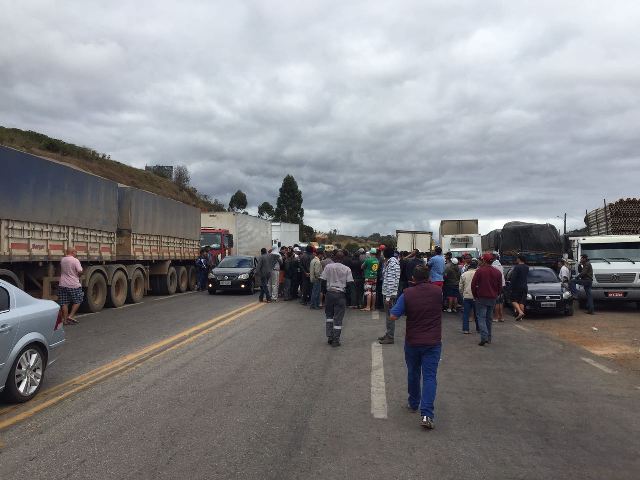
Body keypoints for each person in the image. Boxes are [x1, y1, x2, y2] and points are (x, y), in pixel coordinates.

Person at [389, 266, 442, 430]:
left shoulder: (407, 294)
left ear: (413, 278)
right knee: (429, 377)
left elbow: (393, 315)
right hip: (433, 342)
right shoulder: (438, 292)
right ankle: (427, 414)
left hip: (413, 341)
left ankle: (413, 402)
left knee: (413, 373)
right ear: (428, 277)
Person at [320, 250, 354, 347]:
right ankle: (336, 340)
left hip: (330, 294)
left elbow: (323, 280)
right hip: (341, 295)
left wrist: (325, 293)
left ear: (334, 257)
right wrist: (347, 298)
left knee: (329, 317)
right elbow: (350, 284)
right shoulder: (347, 269)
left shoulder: (328, 267)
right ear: (343, 259)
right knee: (338, 319)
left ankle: (329, 336)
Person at [471, 253, 503, 346]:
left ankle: (484, 337)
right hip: (492, 298)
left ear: (484, 260)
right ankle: (489, 338)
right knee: (489, 318)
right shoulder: (497, 272)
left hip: (481, 298)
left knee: (481, 317)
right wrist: (496, 294)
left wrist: (475, 295)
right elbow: (500, 287)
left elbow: (473, 285)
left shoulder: (480, 271)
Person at [378, 246, 401, 344]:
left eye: (383, 252)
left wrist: (388, 297)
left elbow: (391, 281)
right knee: (388, 316)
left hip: (389, 294)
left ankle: (390, 337)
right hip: (389, 292)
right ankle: (388, 334)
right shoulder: (391, 262)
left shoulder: (391, 264)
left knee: (390, 316)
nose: (382, 254)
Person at [58, 248, 84, 325]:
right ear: (73, 252)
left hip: (62, 284)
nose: (76, 253)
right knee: (78, 300)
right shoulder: (75, 260)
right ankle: (71, 316)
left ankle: (65, 320)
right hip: (73, 284)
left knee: (64, 303)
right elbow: (80, 271)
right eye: (76, 252)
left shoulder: (63, 260)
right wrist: (79, 275)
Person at [459, 258, 478, 334]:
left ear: (468, 267)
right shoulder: (478, 273)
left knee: (466, 314)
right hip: (476, 297)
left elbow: (460, 287)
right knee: (477, 314)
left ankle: (466, 329)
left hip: (466, 296)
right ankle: (478, 329)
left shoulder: (464, 274)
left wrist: (462, 294)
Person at [509, 254, 530, 321]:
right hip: (524, 286)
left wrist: (511, 286)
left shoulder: (517, 267)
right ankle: (520, 317)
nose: (516, 259)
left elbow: (513, 278)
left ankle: (520, 312)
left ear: (519, 259)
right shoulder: (527, 267)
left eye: (517, 258)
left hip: (517, 287)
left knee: (513, 300)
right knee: (522, 302)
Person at [492, 253, 506, 322]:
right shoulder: (500, 265)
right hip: (502, 285)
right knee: (500, 302)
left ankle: (496, 317)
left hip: (496, 285)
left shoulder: (493, 266)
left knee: (496, 302)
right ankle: (501, 317)